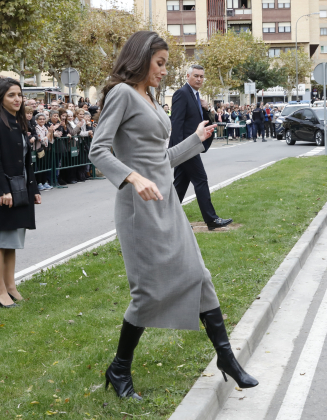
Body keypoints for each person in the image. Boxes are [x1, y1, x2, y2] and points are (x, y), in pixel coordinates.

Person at [88, 31, 258, 401]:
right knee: (147, 291)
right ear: (140, 58)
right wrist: (132, 178)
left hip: (166, 203)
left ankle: (226, 358)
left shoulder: (148, 96)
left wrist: (195, 139)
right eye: (160, 63)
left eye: (167, 64)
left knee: (199, 275)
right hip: (139, 210)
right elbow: (98, 151)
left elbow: (158, 160)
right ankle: (119, 369)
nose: (165, 71)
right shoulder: (121, 93)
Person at [0, 78, 42, 308]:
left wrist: (34, 188)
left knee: (13, 241)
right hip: (4, 193)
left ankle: (10, 287)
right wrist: (4, 190)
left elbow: (28, 162)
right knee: (0, 241)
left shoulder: (19, 123)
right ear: (0, 98)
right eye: (11, 95)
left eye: (19, 94)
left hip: (21, 191)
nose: (17, 98)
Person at [170, 64, 232, 229]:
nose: (199, 79)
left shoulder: (196, 96)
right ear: (188, 76)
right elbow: (176, 124)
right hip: (186, 147)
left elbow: (200, 121)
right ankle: (211, 220)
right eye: (196, 76)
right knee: (200, 180)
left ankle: (167, 219)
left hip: (191, 146)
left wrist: (205, 108)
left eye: (201, 76)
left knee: (180, 185)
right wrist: (179, 150)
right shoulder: (181, 94)